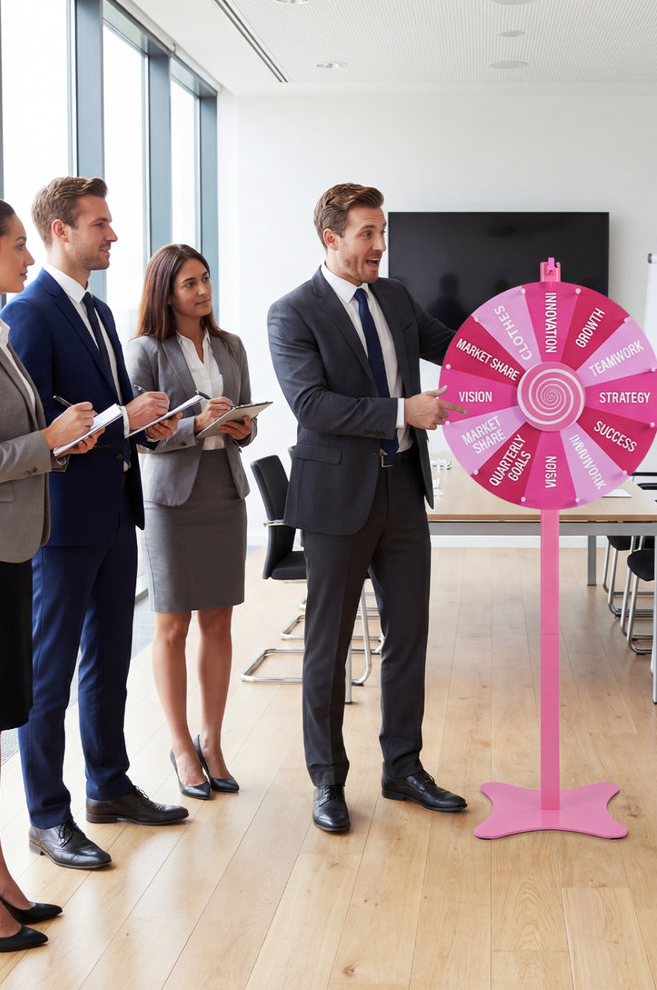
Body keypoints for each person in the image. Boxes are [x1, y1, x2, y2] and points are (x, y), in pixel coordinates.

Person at [267, 182, 467, 833]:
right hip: (334, 500)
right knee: (328, 646)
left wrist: (536, 333)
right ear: (331, 238)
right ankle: (327, 779)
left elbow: (461, 345)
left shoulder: (396, 296)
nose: (380, 246)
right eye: (367, 235)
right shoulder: (292, 312)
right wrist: (401, 411)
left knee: (409, 634)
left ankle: (402, 767)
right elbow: (312, 406)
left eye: (382, 232)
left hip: (403, 489)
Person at [2, 177, 188, 872]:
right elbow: (32, 431)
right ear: (61, 232)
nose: (112, 235)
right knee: (48, 676)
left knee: (110, 664)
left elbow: (101, 419)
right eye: (99, 224)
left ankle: (107, 786)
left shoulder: (102, 314)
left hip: (114, 516)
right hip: (61, 526)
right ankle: (46, 818)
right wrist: (114, 428)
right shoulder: (32, 313)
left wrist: (140, 422)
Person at [0, 196, 100, 950]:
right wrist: (44, 443)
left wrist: (58, 445)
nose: (29, 260)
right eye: (18, 246)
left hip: (10, 546)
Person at [125, 244, 256, 799]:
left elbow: (247, 418)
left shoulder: (230, 345)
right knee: (173, 626)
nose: (203, 291)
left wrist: (241, 427)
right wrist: (195, 426)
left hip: (224, 493)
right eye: (189, 284)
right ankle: (181, 746)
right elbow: (136, 438)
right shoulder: (144, 352)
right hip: (172, 503)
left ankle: (213, 741)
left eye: (206, 279)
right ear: (165, 292)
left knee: (219, 623)